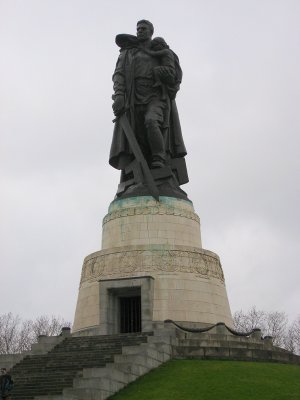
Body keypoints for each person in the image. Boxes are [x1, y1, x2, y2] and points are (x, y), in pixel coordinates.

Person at [110, 20, 188, 192]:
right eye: (138, 29)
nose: (140, 31)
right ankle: (142, 174)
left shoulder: (159, 50)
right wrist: (119, 96)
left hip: (155, 95)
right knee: (137, 138)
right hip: (133, 98)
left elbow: (174, 75)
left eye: (143, 29)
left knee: (152, 122)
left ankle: (159, 160)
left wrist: (162, 73)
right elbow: (119, 75)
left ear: (151, 31)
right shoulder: (128, 52)